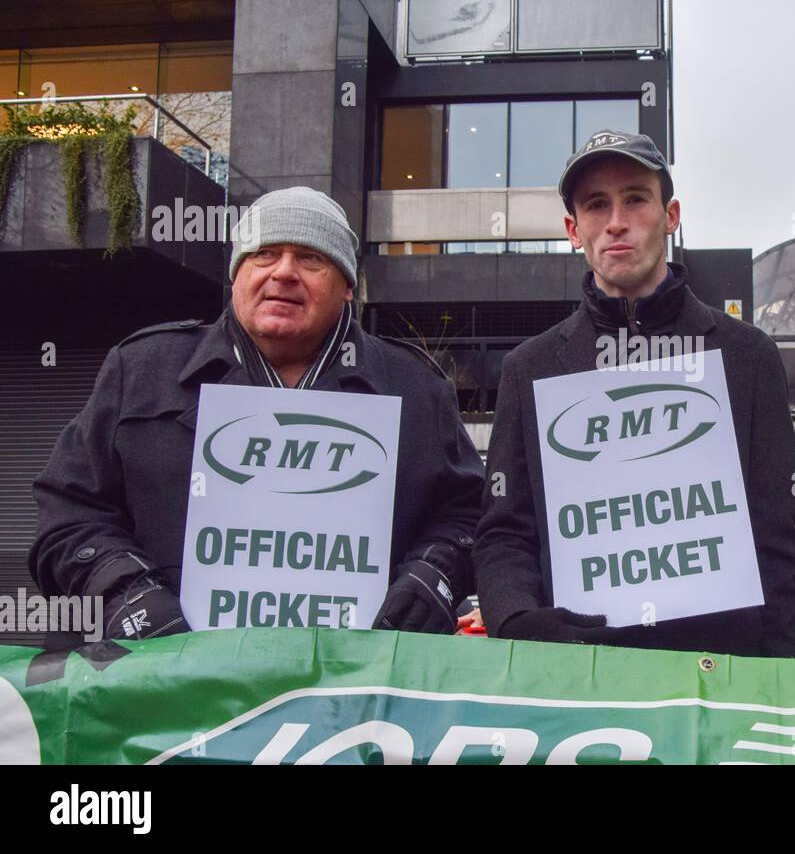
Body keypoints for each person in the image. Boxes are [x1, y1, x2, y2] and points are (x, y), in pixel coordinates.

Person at [31, 187, 484, 641]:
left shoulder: (415, 387)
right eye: (264, 254)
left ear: (346, 286)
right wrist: (126, 594)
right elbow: (70, 515)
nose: (283, 272)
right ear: (237, 273)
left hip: (357, 684)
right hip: (158, 686)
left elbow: (469, 514)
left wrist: (431, 581)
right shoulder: (142, 369)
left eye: (311, 258)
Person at [473, 130, 795, 658]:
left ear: (670, 215)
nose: (616, 221)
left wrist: (793, 689)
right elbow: (504, 534)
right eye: (596, 205)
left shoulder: (748, 356)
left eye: (635, 198)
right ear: (573, 229)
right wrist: (518, 622)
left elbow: (777, 544)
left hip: (720, 677)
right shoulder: (529, 369)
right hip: (580, 674)